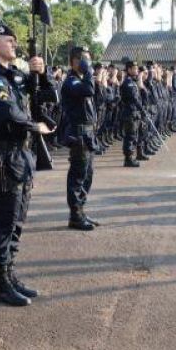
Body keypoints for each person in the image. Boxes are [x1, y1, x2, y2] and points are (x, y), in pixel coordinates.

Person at [0, 23, 56, 307]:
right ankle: (1, 282)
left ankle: (10, 274)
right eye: (9, 40)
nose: (14, 44)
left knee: (17, 219)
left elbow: (46, 98)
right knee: (4, 221)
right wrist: (36, 126)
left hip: (22, 155)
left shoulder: (14, 76)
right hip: (6, 156)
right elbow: (9, 113)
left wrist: (41, 74)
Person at [61, 46, 99, 231]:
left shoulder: (82, 80)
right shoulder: (71, 81)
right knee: (78, 176)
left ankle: (80, 211)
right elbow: (89, 91)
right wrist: (89, 72)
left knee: (88, 175)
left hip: (88, 134)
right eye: (84, 59)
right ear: (74, 61)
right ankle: (75, 215)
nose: (88, 62)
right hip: (79, 135)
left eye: (88, 59)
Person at [120, 59, 144, 167]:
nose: (137, 70)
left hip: (134, 113)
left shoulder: (132, 82)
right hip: (130, 113)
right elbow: (134, 98)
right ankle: (128, 159)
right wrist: (141, 108)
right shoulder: (128, 83)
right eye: (134, 68)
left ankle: (131, 156)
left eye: (137, 68)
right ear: (129, 70)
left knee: (133, 136)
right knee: (130, 136)